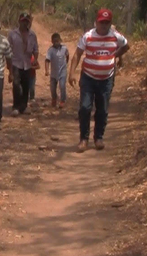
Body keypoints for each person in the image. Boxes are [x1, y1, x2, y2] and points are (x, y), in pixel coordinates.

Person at [69, 8, 129, 152]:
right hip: (88, 77)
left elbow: (126, 46)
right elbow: (77, 54)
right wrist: (71, 73)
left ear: (110, 23)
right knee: (85, 107)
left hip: (106, 79)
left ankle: (98, 138)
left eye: (106, 23)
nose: (103, 26)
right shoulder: (88, 37)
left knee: (102, 109)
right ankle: (84, 139)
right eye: (101, 22)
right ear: (96, 22)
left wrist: (116, 55)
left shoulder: (116, 37)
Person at [7, 12, 38, 116]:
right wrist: (9, 67)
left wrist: (35, 59)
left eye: (26, 22)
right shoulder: (12, 34)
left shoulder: (32, 35)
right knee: (16, 84)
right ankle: (15, 106)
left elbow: (35, 49)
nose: (24, 24)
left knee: (26, 85)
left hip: (27, 63)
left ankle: (23, 106)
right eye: (23, 21)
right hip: (16, 62)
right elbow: (8, 49)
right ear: (19, 22)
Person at [44, 32, 69, 108]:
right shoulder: (50, 50)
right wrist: (47, 70)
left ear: (60, 40)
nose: (56, 43)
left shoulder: (64, 48)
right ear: (52, 41)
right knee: (52, 88)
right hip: (53, 73)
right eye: (54, 41)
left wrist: (66, 63)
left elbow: (67, 55)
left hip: (62, 72)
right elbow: (47, 60)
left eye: (57, 41)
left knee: (62, 86)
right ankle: (54, 99)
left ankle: (62, 100)